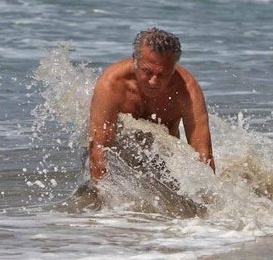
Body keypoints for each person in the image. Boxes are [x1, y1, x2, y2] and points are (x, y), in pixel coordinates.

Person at [87, 28, 215, 186]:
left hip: (161, 161)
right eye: (147, 72)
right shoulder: (112, 84)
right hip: (118, 155)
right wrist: (106, 207)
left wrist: (211, 204)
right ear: (135, 60)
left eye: (162, 74)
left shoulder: (187, 90)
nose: (153, 82)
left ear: (174, 67)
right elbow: (100, 148)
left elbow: (203, 154)